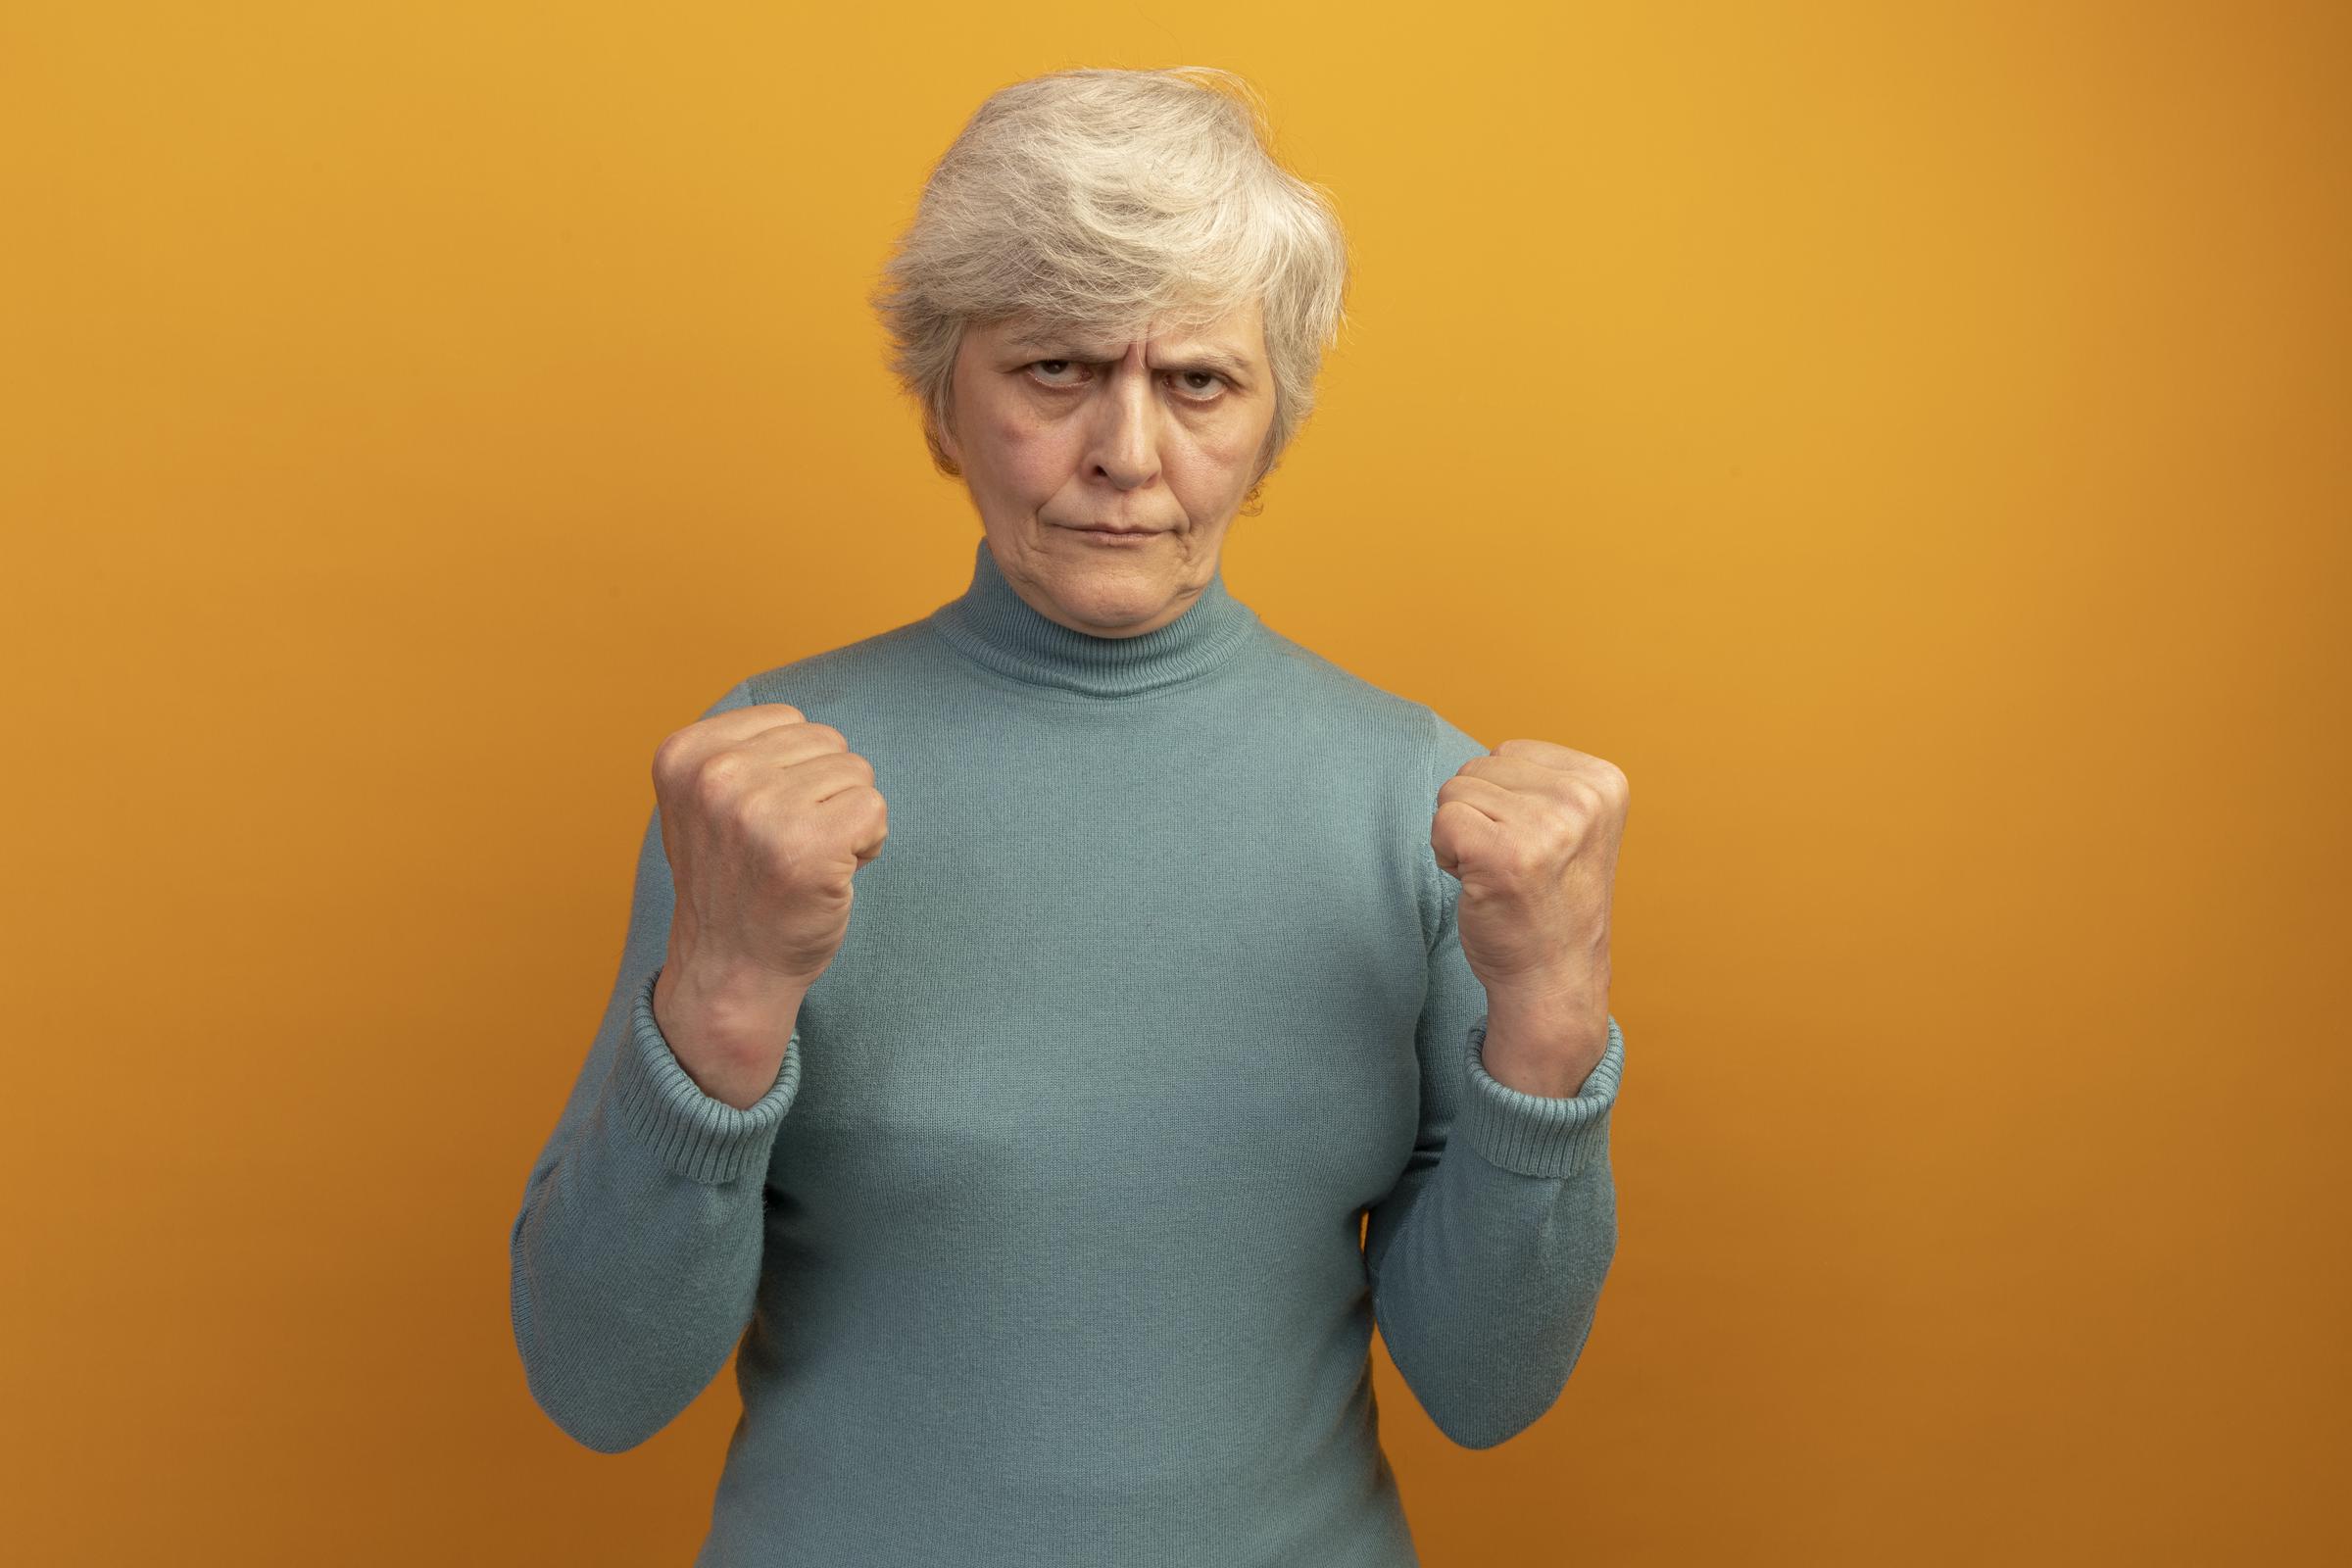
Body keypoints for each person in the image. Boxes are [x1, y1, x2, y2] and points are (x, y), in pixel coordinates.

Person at [508, 64, 1630, 1567]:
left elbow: (1486, 1391)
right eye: (1053, 369)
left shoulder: (1425, 806)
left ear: (1272, 417)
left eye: (1198, 383)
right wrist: (720, 1002)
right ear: (942, 405)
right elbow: (599, 1385)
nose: (1127, 452)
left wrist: (1551, 1027)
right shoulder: (756, 786)